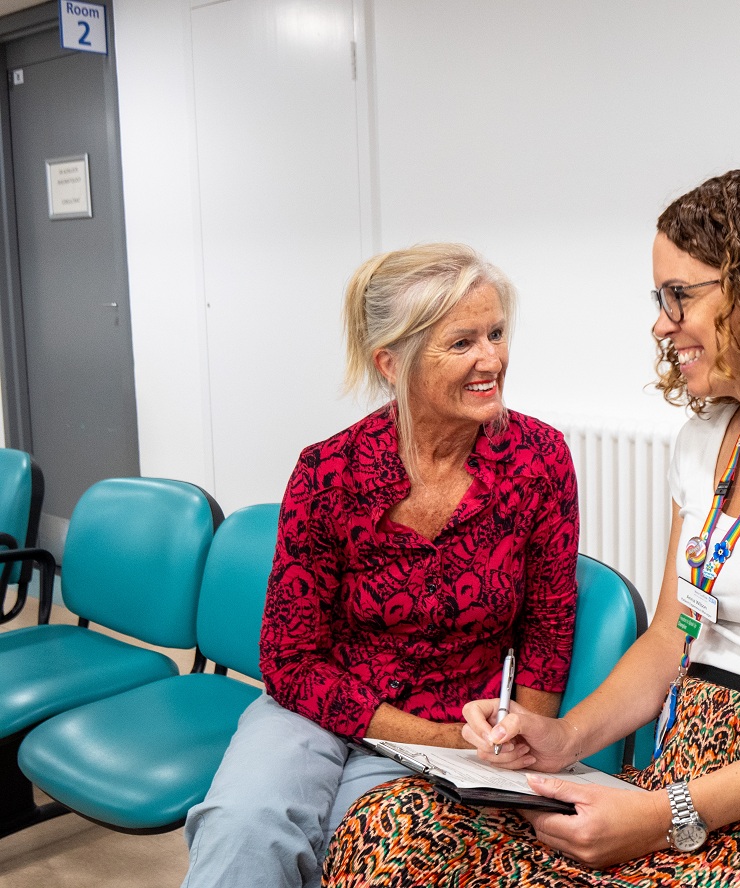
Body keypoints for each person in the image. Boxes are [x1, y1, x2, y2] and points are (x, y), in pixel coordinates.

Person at [322, 170, 740, 887]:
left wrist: (665, 816)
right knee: (393, 827)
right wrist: (561, 740)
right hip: (685, 769)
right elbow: (668, 640)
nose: (661, 323)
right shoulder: (704, 441)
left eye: (678, 296)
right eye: (660, 299)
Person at [181, 244, 580, 888]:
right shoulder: (328, 472)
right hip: (314, 707)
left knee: (353, 851)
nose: (493, 360)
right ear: (392, 362)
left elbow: (547, 624)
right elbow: (289, 658)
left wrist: (527, 747)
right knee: (243, 827)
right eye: (462, 342)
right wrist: (426, 733)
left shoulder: (538, 459)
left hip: (454, 725)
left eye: (497, 333)